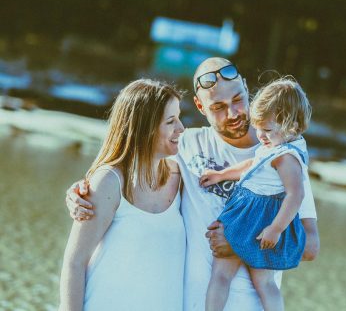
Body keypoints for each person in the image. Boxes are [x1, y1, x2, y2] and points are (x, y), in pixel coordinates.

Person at [66, 58, 320, 311]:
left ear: (245, 87)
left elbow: (310, 247)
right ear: (200, 106)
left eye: (238, 99)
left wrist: (238, 241)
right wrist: (85, 190)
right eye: (218, 106)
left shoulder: (284, 159)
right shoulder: (185, 145)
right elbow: (133, 163)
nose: (232, 113)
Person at [59, 79, 186, 311]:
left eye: (179, 117)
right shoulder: (109, 182)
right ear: (144, 128)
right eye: (171, 121)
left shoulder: (183, 176)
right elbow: (75, 263)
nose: (181, 128)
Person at [200, 77, 312, 311]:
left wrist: (276, 228)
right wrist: (222, 175)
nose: (259, 134)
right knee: (230, 275)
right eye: (257, 127)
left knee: (253, 279)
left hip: (260, 217)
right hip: (250, 210)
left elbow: (295, 195)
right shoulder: (275, 147)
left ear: (290, 125)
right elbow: (253, 164)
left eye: (267, 129)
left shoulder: (287, 158)